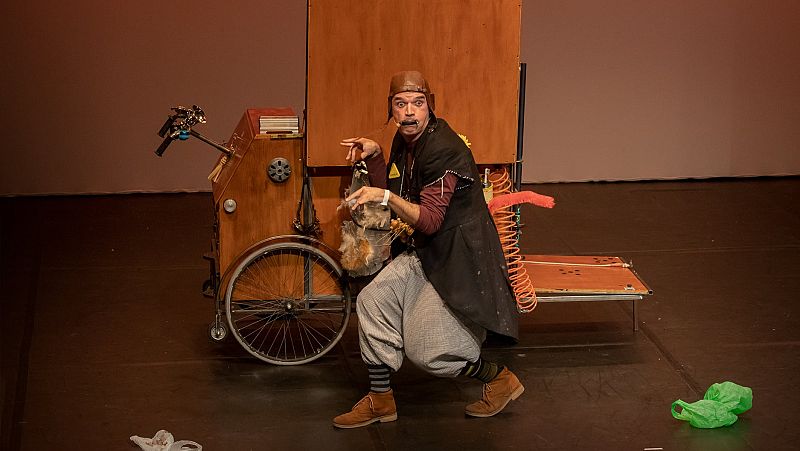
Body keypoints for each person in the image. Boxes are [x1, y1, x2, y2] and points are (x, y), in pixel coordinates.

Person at [333, 71, 523, 429]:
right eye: (400, 104)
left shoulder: (443, 148)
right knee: (372, 301)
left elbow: (430, 219)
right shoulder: (405, 140)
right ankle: (380, 400)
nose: (409, 113)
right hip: (428, 253)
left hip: (460, 259)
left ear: (429, 106)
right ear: (391, 107)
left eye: (417, 104)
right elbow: (396, 187)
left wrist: (385, 197)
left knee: (429, 352)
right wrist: (375, 156)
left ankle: (498, 379)